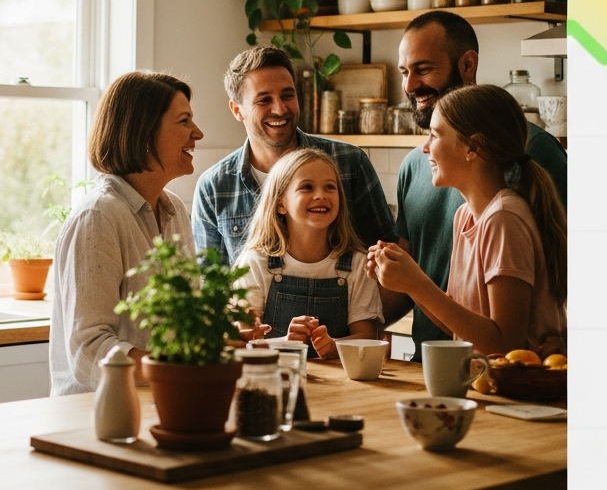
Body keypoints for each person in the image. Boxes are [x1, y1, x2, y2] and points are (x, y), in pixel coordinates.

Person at [387, 11, 567, 357]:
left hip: (513, 375)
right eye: (404, 72)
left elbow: (505, 341)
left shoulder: (510, 203)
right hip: (453, 369)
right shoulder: (458, 209)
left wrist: (416, 283)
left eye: (422, 69)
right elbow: (455, 314)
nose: (409, 86)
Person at [49, 71, 204, 395]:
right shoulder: (98, 217)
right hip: (94, 412)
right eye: (184, 121)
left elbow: (184, 324)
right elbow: (89, 349)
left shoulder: (174, 210)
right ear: (144, 133)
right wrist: (173, 370)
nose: (198, 133)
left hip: (159, 400)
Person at [192, 46, 397, 265]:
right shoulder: (213, 187)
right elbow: (211, 279)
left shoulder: (350, 162)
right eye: (264, 100)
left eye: (287, 95)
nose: (280, 109)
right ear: (237, 110)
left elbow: (387, 255)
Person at [234, 148, 382, 359]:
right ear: (280, 203)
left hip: (339, 379)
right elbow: (246, 340)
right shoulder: (256, 262)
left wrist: (334, 347)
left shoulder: (358, 264)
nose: (321, 195)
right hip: (275, 374)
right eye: (307, 187)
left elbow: (366, 337)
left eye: (330, 187)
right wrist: (285, 343)